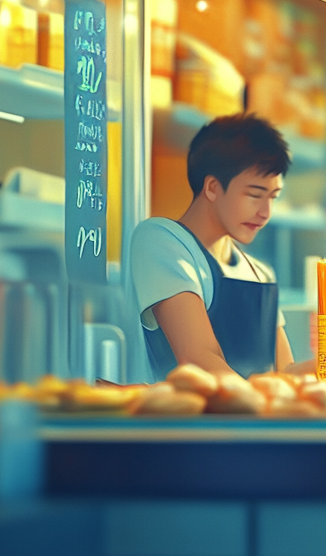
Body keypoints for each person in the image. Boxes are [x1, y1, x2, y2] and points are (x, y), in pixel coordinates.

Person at [130, 113, 308, 380]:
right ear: (213, 187)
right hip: (192, 420)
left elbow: (285, 372)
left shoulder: (259, 272)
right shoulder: (161, 241)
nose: (265, 212)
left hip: (259, 419)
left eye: (273, 197)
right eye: (255, 195)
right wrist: (268, 401)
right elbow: (198, 357)